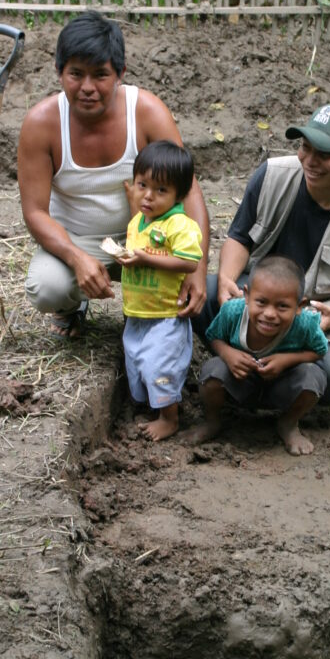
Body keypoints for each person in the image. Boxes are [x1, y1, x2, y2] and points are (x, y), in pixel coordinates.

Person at [18, 11, 209, 338]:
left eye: (100, 75)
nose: (87, 87)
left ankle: (148, 313)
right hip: (79, 239)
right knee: (46, 287)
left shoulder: (146, 112)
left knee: (179, 281)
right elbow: (34, 211)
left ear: (120, 73)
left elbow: (189, 192)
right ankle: (71, 309)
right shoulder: (41, 124)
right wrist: (76, 257)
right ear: (59, 72)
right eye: (76, 74)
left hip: (152, 236)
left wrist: (199, 268)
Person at [195, 101, 330, 404]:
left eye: (325, 154)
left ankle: (292, 386)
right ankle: (240, 365)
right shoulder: (271, 175)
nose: (310, 161)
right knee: (198, 295)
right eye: (306, 147)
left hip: (322, 308)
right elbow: (239, 238)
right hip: (261, 293)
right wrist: (226, 279)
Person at [188, 256, 328, 455]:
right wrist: (228, 354)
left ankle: (288, 423)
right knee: (212, 371)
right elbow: (214, 337)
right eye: (261, 302)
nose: (270, 313)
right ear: (247, 295)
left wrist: (286, 360)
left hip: (283, 386)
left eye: (282, 306)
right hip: (240, 382)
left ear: (299, 306)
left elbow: (320, 350)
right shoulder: (232, 312)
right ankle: (212, 421)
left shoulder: (305, 324)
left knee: (313, 378)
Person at [118, 140, 203, 441]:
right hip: (138, 314)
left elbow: (190, 262)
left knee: (160, 367)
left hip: (167, 316)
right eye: (143, 185)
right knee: (137, 363)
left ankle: (170, 418)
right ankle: (148, 407)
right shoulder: (138, 221)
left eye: (161, 190)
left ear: (179, 195)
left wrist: (145, 258)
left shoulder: (180, 225)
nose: (148, 196)